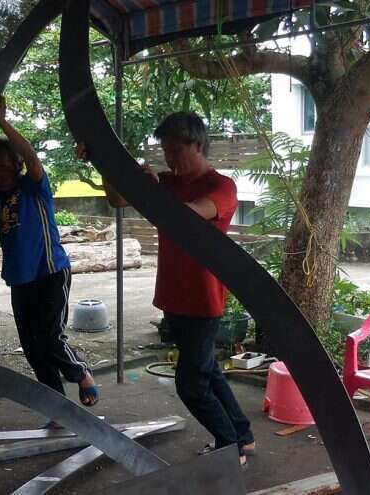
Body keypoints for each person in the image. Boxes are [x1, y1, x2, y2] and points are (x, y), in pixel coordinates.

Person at [77, 111, 255, 465]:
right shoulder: (167, 183)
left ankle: (229, 446)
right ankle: (243, 437)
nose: (169, 157)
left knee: (191, 384)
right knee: (208, 371)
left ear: (197, 145)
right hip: (174, 298)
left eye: (175, 149)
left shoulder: (221, 186)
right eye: (166, 150)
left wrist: (150, 189)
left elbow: (186, 215)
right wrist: (107, 165)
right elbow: (116, 200)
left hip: (203, 301)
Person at [0, 96, 99, 415]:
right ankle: (58, 409)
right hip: (20, 280)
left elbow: (32, 157)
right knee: (34, 350)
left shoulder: (34, 186)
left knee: (50, 339)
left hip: (50, 273)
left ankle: (81, 372)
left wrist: (2, 122)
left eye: (4, 166)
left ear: (16, 165)